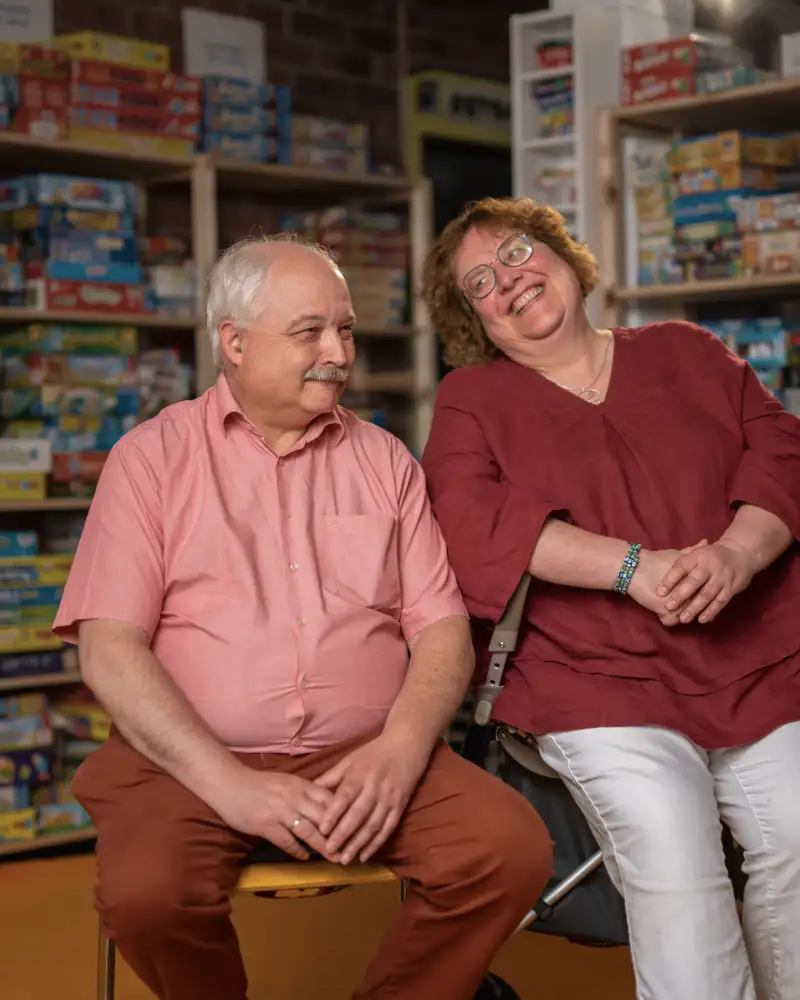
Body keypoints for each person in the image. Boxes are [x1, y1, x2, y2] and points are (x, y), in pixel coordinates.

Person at [53, 234, 552, 1000]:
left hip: (362, 754)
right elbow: (109, 651)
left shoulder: (385, 460)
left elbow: (442, 632)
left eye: (345, 329)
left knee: (507, 849)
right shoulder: (149, 460)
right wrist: (230, 784)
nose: (337, 351)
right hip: (183, 761)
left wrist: (401, 747)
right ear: (235, 343)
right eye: (309, 331)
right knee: (148, 894)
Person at [420, 196, 800, 1000]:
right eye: (481, 283)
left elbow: (781, 454)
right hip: (592, 679)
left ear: (561, 251)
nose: (511, 281)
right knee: (672, 853)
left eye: (518, 252)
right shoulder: (471, 402)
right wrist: (636, 569)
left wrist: (737, 552)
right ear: (474, 320)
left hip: (755, 654)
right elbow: (468, 518)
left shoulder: (688, 352)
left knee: (799, 838)